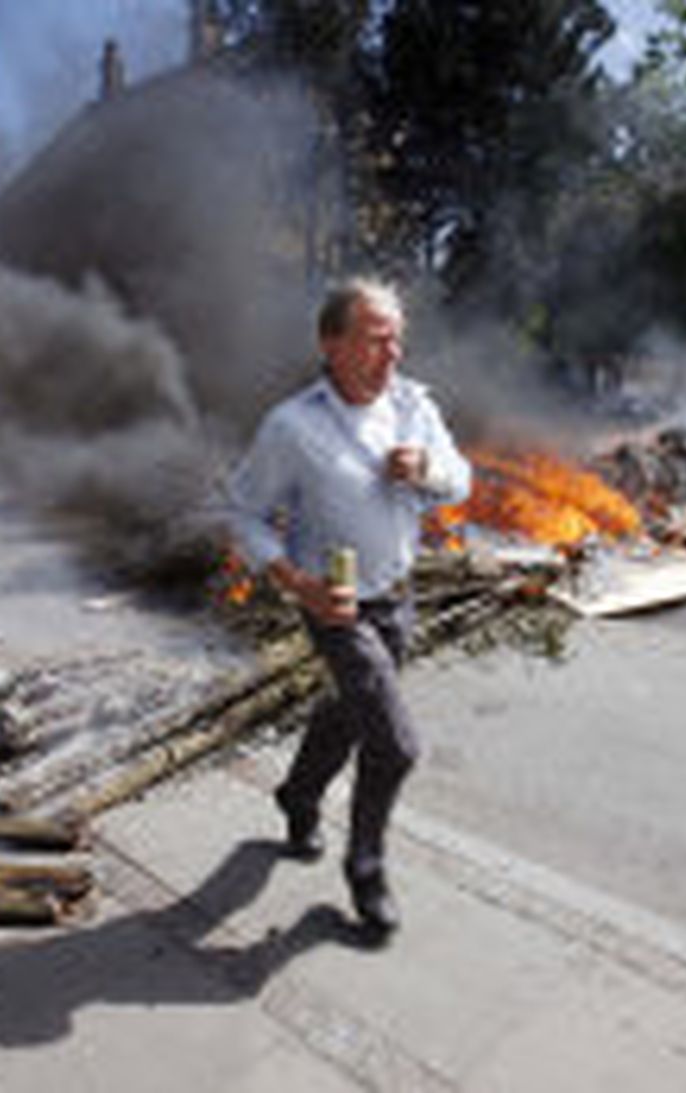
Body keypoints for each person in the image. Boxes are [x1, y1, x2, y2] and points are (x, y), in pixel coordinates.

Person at [224, 277, 472, 936]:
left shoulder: (417, 407)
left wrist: (426, 470)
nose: (390, 354)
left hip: (399, 595)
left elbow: (461, 478)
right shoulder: (293, 426)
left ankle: (297, 793)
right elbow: (244, 510)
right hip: (335, 605)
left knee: (349, 709)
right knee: (394, 744)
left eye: (396, 339)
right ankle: (366, 865)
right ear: (330, 343)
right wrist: (293, 581)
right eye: (373, 339)